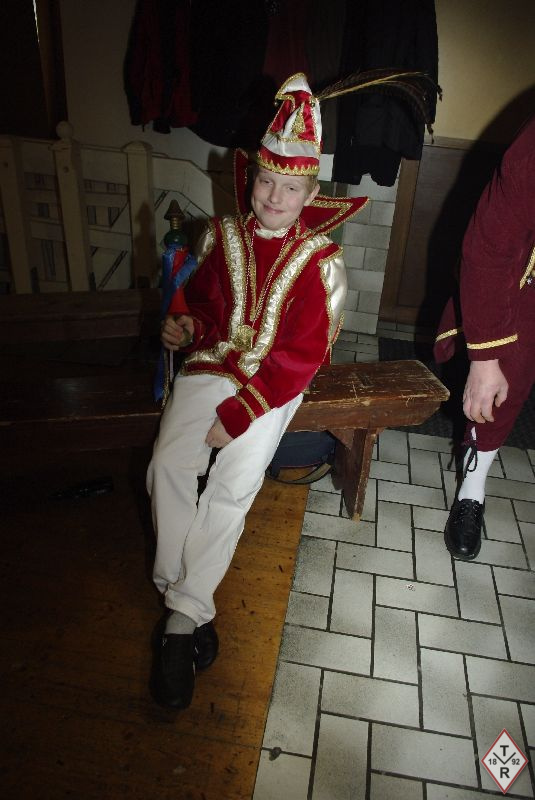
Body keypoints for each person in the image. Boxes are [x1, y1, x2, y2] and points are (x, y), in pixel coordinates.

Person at [146, 73, 368, 709]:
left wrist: (241, 413)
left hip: (271, 386)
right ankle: (183, 595)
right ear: (251, 179)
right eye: (267, 181)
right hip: (212, 365)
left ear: (310, 193)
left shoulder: (320, 262)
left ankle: (181, 620)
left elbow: (302, 355)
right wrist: (187, 326)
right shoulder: (221, 237)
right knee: (168, 463)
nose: (274, 196)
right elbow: (207, 307)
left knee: (234, 481)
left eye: (290, 187)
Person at [434, 115, 535, 561]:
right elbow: (489, 248)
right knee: (506, 375)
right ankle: (471, 491)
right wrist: (486, 359)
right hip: (524, 277)